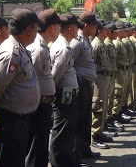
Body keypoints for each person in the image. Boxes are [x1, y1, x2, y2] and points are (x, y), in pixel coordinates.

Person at [0, 8, 40, 167]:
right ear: (29, 29)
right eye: (36, 28)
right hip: (10, 122)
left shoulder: (20, 49)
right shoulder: (11, 52)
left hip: (19, 122)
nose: (37, 32)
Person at [26, 8, 61, 167]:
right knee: (36, 147)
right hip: (37, 105)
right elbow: (29, 79)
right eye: (59, 26)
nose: (60, 30)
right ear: (52, 27)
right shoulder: (39, 48)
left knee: (40, 147)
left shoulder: (44, 45)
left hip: (43, 103)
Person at [49, 13, 81, 167]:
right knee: (61, 131)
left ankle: (66, 161)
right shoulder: (63, 48)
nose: (77, 32)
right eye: (76, 28)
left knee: (67, 130)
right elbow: (55, 75)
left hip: (66, 94)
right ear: (70, 29)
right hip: (63, 95)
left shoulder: (64, 45)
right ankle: (58, 162)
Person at [70, 11, 100, 161]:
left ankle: (85, 149)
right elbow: (69, 64)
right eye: (94, 26)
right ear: (86, 25)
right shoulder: (77, 41)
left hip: (87, 85)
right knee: (79, 120)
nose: (96, 29)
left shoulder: (86, 40)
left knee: (86, 119)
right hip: (80, 86)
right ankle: (76, 155)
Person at [91, 19, 114, 149]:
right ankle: (94, 135)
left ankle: (100, 131)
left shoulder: (101, 43)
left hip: (104, 77)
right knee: (98, 106)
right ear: (100, 31)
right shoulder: (96, 44)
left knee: (104, 105)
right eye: (106, 29)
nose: (108, 32)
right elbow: (92, 64)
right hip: (98, 78)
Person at [104, 22, 125, 132]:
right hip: (107, 75)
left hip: (112, 74)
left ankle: (110, 120)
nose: (117, 34)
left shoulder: (111, 43)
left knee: (112, 98)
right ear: (109, 32)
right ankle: (107, 122)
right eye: (115, 32)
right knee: (108, 99)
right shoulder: (106, 44)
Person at [112, 22, 131, 124]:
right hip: (118, 72)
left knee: (123, 94)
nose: (126, 32)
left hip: (124, 70)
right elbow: (113, 59)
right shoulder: (116, 43)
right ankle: (114, 117)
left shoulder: (120, 43)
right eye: (123, 30)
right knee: (117, 94)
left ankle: (119, 113)